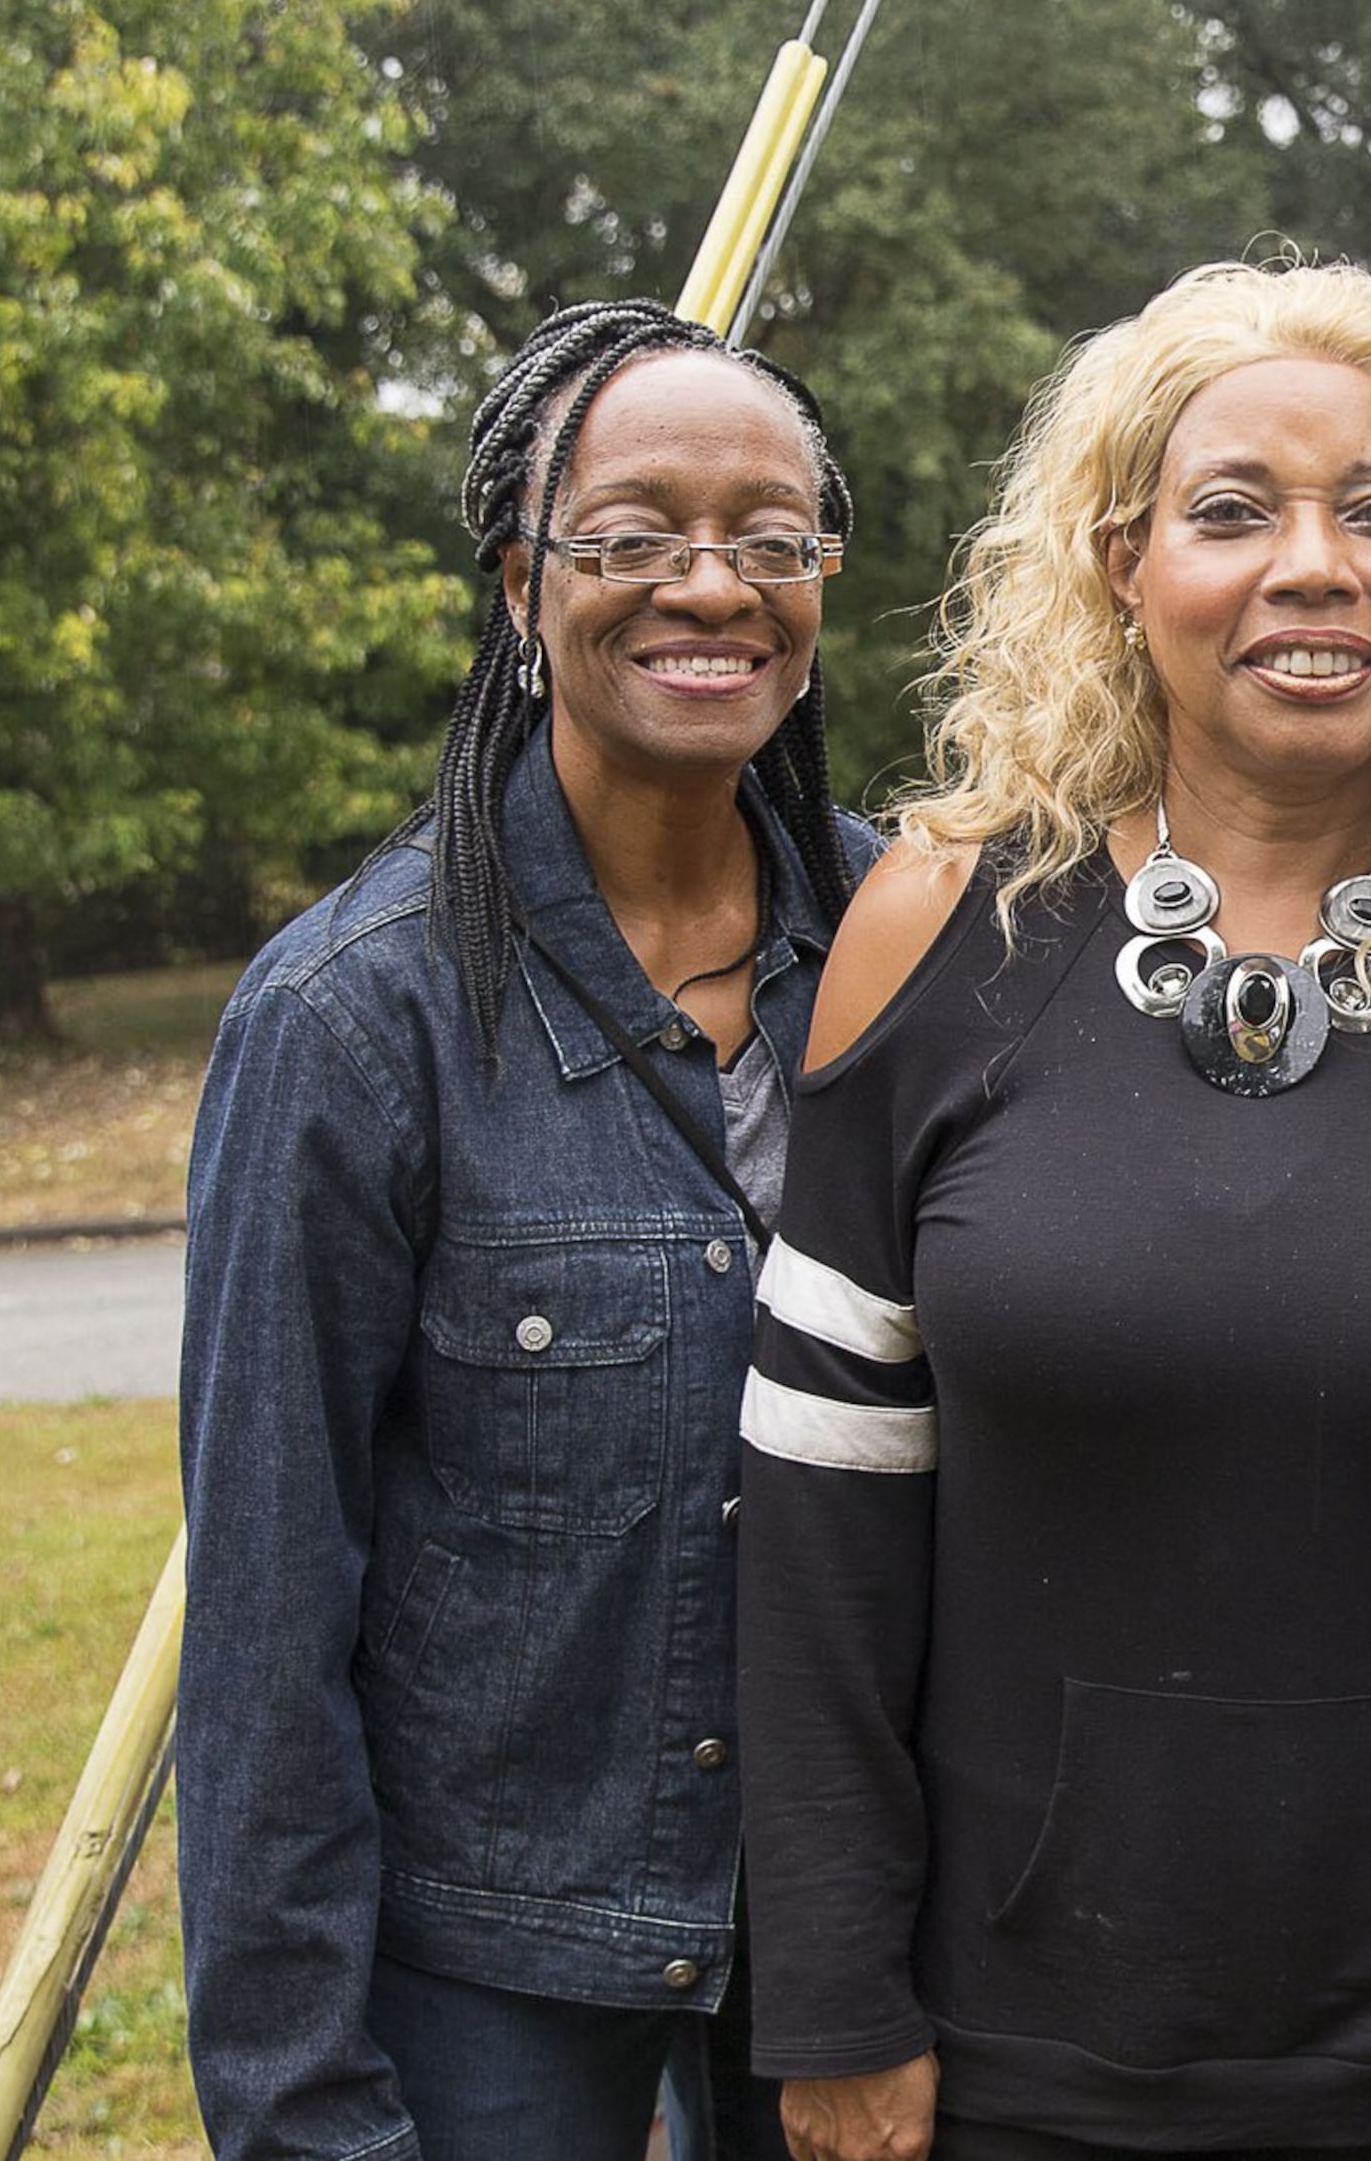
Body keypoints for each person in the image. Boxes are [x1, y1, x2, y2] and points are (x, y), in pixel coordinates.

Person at [736, 261, 1371, 2161]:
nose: (1316, 565)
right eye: (1234, 509)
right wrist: (837, 1993)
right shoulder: (940, 928)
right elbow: (820, 1505)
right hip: (1010, 2049)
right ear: (1121, 563)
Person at [179, 301, 870, 2161]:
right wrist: (303, 2103)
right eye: (635, 534)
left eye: (768, 535)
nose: (707, 585)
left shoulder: (915, 954)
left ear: (821, 578)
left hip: (850, 1935)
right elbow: (264, 1610)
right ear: (519, 580)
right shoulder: (353, 1021)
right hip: (490, 1960)